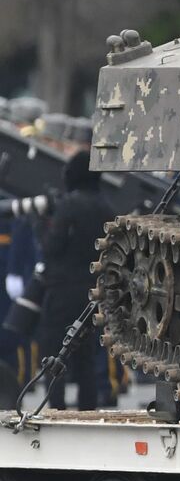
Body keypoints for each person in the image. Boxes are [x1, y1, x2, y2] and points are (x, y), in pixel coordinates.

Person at [33, 151, 115, 411]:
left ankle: (55, 407)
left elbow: (53, 247)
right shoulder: (105, 206)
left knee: (55, 350)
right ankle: (87, 408)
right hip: (91, 291)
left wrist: (39, 225)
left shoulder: (69, 205)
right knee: (85, 356)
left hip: (61, 289)